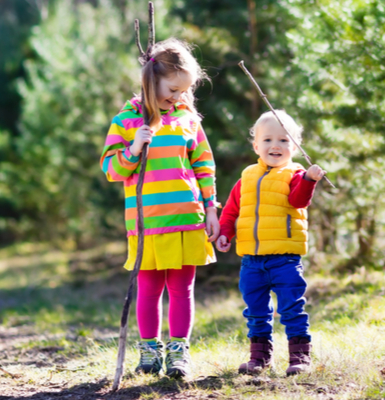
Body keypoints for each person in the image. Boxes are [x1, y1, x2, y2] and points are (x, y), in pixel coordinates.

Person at [100, 38, 219, 379]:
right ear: (151, 79)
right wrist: (135, 148)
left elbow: (204, 167)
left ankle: (179, 352)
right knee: (149, 290)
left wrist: (211, 209)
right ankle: (149, 350)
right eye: (172, 89)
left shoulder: (188, 120)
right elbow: (111, 170)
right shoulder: (126, 120)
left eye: (184, 91)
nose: (178, 97)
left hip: (187, 219)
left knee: (182, 289)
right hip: (147, 223)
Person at [216, 110, 325, 376]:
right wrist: (224, 232)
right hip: (252, 260)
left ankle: (300, 357)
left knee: (291, 306)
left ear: (295, 146)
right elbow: (232, 210)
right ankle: (259, 358)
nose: (275, 145)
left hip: (284, 257)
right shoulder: (247, 177)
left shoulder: (296, 174)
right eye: (267, 140)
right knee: (255, 310)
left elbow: (299, 200)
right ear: (256, 145)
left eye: (284, 140)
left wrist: (310, 180)